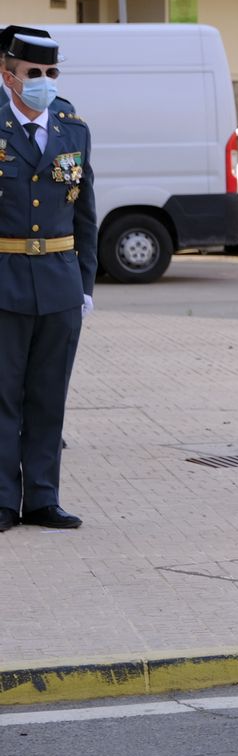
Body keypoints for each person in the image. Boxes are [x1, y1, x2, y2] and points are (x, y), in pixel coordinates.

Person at [0, 32, 95, 532]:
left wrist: (84, 284)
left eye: (51, 74)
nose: (43, 83)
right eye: (32, 74)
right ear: (7, 73)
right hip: (4, 280)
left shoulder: (71, 127)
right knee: (3, 396)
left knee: (48, 395)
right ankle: (1, 498)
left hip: (57, 282)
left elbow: (86, 213)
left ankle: (41, 497)